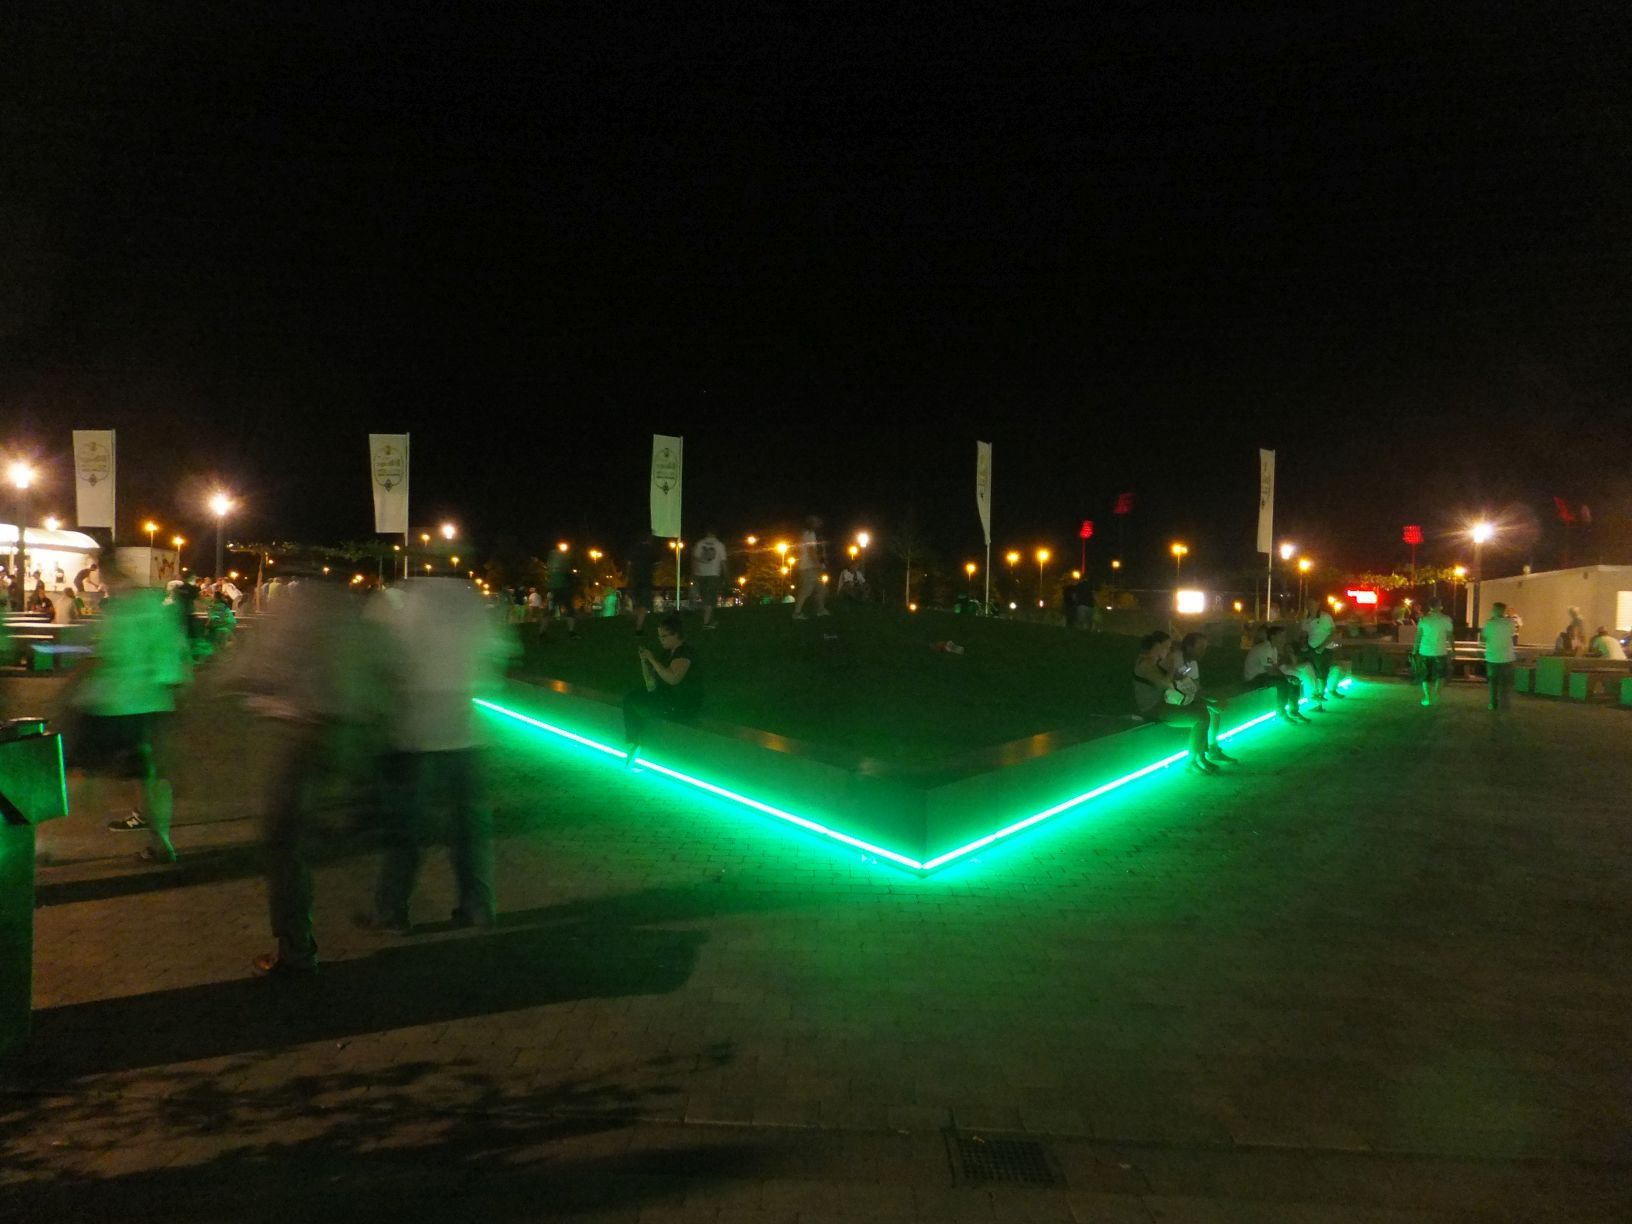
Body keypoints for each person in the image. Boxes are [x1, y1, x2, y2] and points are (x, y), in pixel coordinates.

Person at [233, 580, 392, 976]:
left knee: (283, 843)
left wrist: (236, 682)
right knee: (314, 832)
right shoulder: (352, 609)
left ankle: (297, 949)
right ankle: (370, 899)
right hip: (344, 733)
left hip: (297, 734)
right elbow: (378, 670)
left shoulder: (291, 606)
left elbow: (260, 667)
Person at [359, 577, 519, 937]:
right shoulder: (471, 600)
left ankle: (391, 912)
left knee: (405, 830)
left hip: (413, 734)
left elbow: (378, 661)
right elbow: (498, 656)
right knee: (469, 830)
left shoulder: (396, 599)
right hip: (466, 731)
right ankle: (477, 906)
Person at [73, 563, 193, 863]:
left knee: (93, 769)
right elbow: (174, 659)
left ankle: (43, 834)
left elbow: (104, 656)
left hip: (118, 705)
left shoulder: (118, 612)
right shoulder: (160, 609)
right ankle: (160, 839)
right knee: (152, 774)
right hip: (155, 702)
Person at [1132, 631, 1216, 774]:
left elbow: (1168, 682)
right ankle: (1191, 761)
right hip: (1153, 707)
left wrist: (1176, 676)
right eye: (1167, 647)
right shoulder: (1146, 664)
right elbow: (1164, 684)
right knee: (1200, 718)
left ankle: (1201, 756)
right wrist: (1172, 668)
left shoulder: (1153, 663)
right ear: (1157, 646)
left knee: (1202, 707)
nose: (1169, 651)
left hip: (1163, 703)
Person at [623, 614, 702, 755]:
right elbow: (650, 684)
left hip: (682, 704)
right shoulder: (667, 654)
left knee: (635, 703)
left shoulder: (684, 653)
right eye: (659, 636)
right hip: (667, 698)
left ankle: (635, 743)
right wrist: (644, 661)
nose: (661, 639)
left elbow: (673, 679)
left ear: (676, 635)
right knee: (631, 698)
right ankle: (633, 742)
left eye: (664, 636)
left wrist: (652, 659)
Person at [1168, 633, 1237, 764]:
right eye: (1200, 647)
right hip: (1174, 699)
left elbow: (1196, 687)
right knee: (1205, 712)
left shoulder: (1192, 662)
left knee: (1214, 709)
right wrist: (1209, 703)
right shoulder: (1175, 659)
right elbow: (1178, 690)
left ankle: (1212, 749)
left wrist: (1212, 699)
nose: (1204, 651)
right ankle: (1198, 757)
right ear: (1189, 647)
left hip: (1186, 696)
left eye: (1205, 648)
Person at [1244, 624, 1308, 723]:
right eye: (1281, 636)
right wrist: (1287, 677)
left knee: (1294, 679)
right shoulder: (1265, 649)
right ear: (1273, 637)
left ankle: (1294, 710)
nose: (1284, 639)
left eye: (1284, 636)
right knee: (1283, 682)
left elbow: (1274, 667)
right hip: (1254, 678)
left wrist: (1290, 677)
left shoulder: (1273, 648)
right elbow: (1270, 671)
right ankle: (1281, 713)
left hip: (1263, 675)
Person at [1412, 598, 1456, 706]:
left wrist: (1415, 650)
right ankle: (1437, 694)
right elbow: (1450, 636)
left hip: (1425, 651)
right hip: (1440, 651)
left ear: (1429, 607)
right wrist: (1453, 649)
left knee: (1425, 676)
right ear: (1439, 606)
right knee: (1441, 675)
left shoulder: (1424, 620)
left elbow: (1418, 636)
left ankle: (1427, 697)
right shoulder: (1446, 619)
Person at [1300, 604, 1342, 707]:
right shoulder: (1306, 619)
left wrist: (1322, 647)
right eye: (1308, 603)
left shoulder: (1325, 617)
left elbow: (1333, 633)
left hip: (1325, 649)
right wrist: (1304, 646)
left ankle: (1320, 698)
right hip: (1311, 648)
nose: (1310, 606)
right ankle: (1317, 700)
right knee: (1313, 672)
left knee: (1322, 673)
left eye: (1312, 603)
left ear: (1318, 604)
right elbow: (1303, 634)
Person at [1481, 601, 1518, 711]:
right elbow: (1513, 633)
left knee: (1493, 683)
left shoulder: (1489, 623)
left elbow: (1483, 638)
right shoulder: (1510, 623)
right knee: (1505, 683)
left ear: (1495, 610)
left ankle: (1493, 703)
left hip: (1492, 657)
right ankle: (1505, 704)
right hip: (1507, 657)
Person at [791, 516, 829, 620]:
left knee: (820, 587)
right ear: (812, 523)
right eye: (817, 522)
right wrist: (818, 564)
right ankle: (797, 613)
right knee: (806, 590)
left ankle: (820, 610)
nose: (819, 523)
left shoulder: (805, 534)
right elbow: (811, 551)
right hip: (808, 567)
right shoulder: (809, 534)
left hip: (807, 566)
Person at [691, 528, 726, 629]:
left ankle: (710, 620)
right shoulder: (719, 545)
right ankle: (706, 623)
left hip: (701, 574)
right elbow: (723, 562)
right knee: (710, 599)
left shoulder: (699, 543)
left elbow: (694, 559)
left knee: (705, 598)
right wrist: (726, 575)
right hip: (713, 574)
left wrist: (694, 574)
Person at [545, 544, 579, 639]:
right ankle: (571, 633)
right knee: (569, 611)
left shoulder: (552, 570)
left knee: (550, 612)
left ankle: (542, 633)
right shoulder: (560, 569)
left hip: (556, 589)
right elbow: (567, 577)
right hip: (562, 590)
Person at [626, 533, 657, 634]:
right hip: (645, 581)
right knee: (644, 605)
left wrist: (629, 578)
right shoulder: (651, 550)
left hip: (634, 580)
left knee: (637, 603)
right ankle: (639, 628)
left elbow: (629, 564)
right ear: (649, 539)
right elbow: (657, 565)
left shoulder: (634, 549)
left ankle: (633, 616)